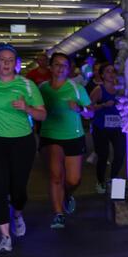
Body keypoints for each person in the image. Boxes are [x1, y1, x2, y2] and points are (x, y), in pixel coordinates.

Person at [0, 43, 46, 252]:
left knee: (18, 191)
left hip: (21, 142)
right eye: (2, 60)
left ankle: (17, 213)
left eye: (10, 60)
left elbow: (42, 115)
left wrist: (27, 107)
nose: (6, 63)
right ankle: (5, 237)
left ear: (16, 64)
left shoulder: (27, 85)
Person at [38, 52, 92, 230]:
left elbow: (90, 112)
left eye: (64, 65)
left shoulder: (76, 88)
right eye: (57, 64)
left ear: (69, 69)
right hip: (50, 135)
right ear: (51, 66)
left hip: (74, 136)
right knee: (55, 177)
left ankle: (67, 194)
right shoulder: (42, 88)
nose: (60, 68)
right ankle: (58, 214)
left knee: (74, 180)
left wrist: (80, 108)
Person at [89, 62, 125, 193]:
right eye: (108, 71)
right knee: (103, 155)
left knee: (120, 154)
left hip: (118, 127)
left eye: (113, 71)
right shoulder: (99, 90)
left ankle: (113, 179)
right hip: (101, 127)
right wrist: (103, 105)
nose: (111, 74)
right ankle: (100, 182)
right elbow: (89, 109)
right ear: (102, 74)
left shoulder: (120, 89)